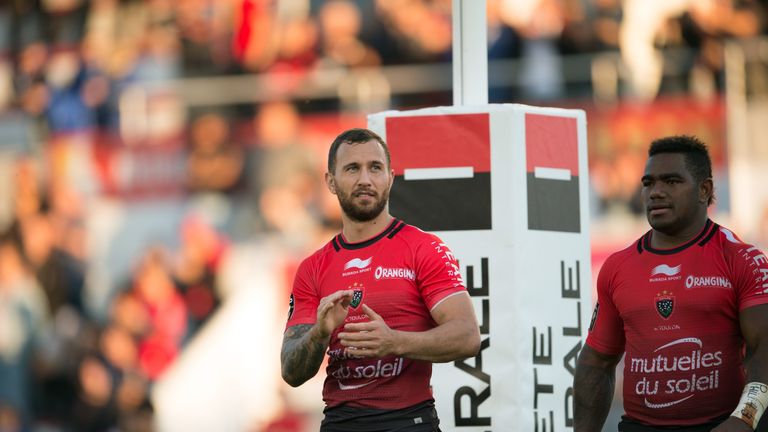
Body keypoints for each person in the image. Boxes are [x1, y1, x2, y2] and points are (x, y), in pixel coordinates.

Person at [280, 128, 481, 432]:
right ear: (330, 182)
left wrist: (395, 341)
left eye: (375, 167)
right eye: (352, 168)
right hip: (340, 423)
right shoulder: (312, 268)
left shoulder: (424, 248)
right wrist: (320, 333)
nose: (365, 179)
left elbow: (468, 336)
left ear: (390, 177)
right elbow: (291, 371)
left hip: (409, 422)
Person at [574, 135, 768, 432]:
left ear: (705, 190)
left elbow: (763, 347)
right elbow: (596, 362)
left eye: (671, 181)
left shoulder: (743, 260)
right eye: (649, 183)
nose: (656, 192)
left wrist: (745, 417)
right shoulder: (618, 267)